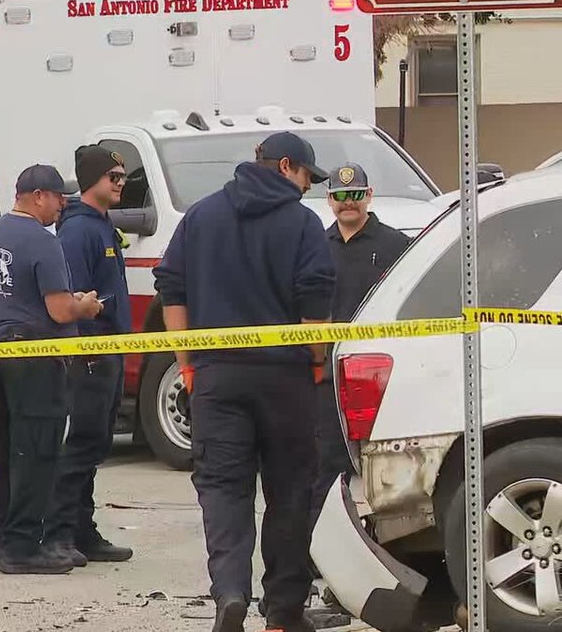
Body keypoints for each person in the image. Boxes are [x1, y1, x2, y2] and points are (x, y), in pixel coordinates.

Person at [153, 132, 336, 632]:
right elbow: (314, 308)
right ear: (285, 166)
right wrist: (316, 364)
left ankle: (231, 593)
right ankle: (282, 611)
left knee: (223, 490)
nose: (307, 189)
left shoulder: (201, 216)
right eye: (306, 176)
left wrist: (188, 363)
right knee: (290, 492)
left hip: (216, 377)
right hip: (287, 379)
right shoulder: (302, 224)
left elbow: (172, 287)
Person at [0, 163, 104, 575]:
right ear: (37, 196)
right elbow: (58, 307)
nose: (63, 204)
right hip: (34, 357)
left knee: (11, 449)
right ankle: (21, 545)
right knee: (37, 450)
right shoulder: (41, 240)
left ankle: (6, 539)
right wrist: (84, 306)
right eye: (57, 196)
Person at [42, 145, 134, 566]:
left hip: (111, 349)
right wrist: (86, 350)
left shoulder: (101, 225)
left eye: (123, 177)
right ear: (91, 180)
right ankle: (57, 532)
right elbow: (75, 298)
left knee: (96, 444)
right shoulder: (78, 231)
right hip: (90, 353)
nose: (120, 183)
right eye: (113, 177)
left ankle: (82, 529)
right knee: (80, 445)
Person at [311, 163, 413, 522]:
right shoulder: (316, 248)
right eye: (340, 196)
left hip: (380, 378)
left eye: (355, 195)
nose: (348, 203)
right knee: (325, 470)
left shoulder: (397, 247)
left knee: (386, 470)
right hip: (329, 379)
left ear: (369, 196)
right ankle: (320, 552)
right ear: (330, 201)